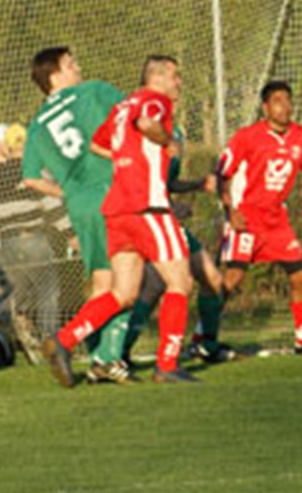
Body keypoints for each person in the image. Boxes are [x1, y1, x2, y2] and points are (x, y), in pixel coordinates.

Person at [42, 55, 197, 386]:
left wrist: (130, 157)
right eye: (176, 76)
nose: (179, 83)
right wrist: (169, 142)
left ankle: (65, 341)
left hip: (117, 210)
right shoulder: (153, 100)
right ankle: (167, 365)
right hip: (148, 206)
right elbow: (146, 123)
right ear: (160, 76)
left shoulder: (122, 106)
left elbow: (99, 145)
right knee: (180, 282)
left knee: (122, 293)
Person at [21, 46, 131, 383]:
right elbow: (132, 117)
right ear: (54, 76)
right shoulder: (93, 91)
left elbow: (29, 177)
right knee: (131, 279)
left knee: (103, 282)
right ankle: (85, 348)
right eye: (71, 64)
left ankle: (101, 360)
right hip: (114, 191)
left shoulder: (37, 125)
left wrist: (67, 191)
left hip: (81, 203)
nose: (78, 68)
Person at [217, 80, 302, 355]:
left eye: (288, 100)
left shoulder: (301, 138)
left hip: (277, 220)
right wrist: (230, 211)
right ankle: (201, 338)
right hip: (247, 218)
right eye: (278, 101)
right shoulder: (247, 136)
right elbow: (223, 175)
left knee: (299, 276)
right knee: (232, 279)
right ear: (266, 107)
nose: (285, 106)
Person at [121, 125, 226, 365]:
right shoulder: (142, 145)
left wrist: (197, 185)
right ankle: (121, 351)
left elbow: (167, 184)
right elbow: (142, 189)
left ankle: (206, 345)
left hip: (169, 222)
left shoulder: (171, 132)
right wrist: (170, 208)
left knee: (212, 278)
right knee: (153, 287)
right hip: (151, 222)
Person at [0, 123, 69, 340]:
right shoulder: (35, 171)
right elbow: (52, 204)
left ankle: (16, 332)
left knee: (19, 291)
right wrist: (69, 232)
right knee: (48, 290)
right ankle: (51, 339)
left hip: (8, 241)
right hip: (33, 237)